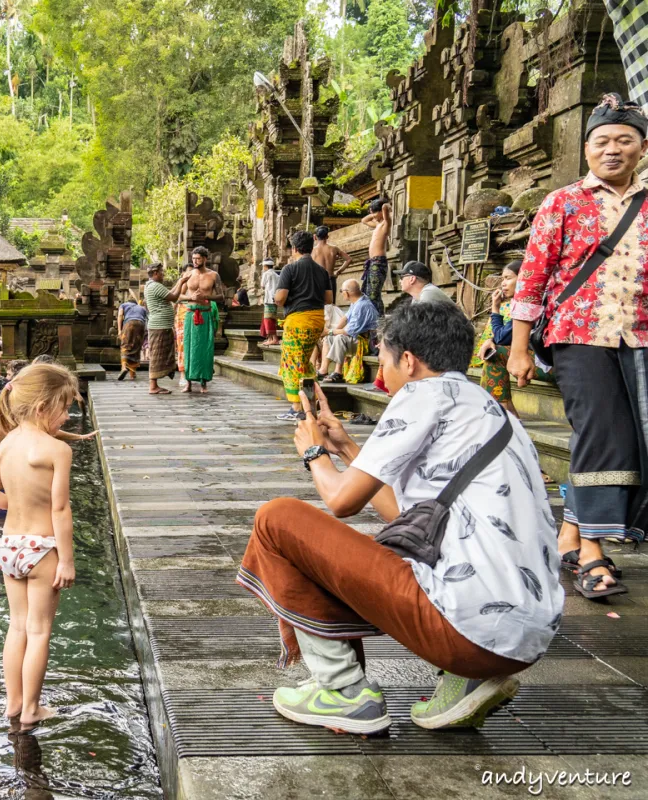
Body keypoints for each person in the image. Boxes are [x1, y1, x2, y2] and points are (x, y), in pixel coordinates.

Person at [238, 302, 562, 735]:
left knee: (276, 519)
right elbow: (412, 519)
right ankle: (462, 680)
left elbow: (340, 501)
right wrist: (350, 450)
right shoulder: (488, 408)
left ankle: (341, 690)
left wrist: (313, 451)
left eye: (385, 361)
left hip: (467, 631)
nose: (380, 376)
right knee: (340, 543)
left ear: (408, 361)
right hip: (522, 638)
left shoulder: (421, 394)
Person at [508, 93, 648, 600]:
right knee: (602, 433)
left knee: (633, 438)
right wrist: (518, 348)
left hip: (639, 336)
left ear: (642, 147)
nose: (613, 150)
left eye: (624, 141)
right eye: (602, 141)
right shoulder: (562, 202)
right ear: (587, 149)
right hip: (577, 335)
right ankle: (592, 550)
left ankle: (570, 532)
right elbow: (532, 278)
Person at [0, 364, 78, 727]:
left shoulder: (7, 442)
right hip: (42, 548)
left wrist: (18, 504)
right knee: (39, 631)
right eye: (64, 407)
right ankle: (33, 708)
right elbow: (61, 509)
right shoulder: (56, 451)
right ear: (42, 408)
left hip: (9, 545)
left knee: (17, 626)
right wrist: (65, 560)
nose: (67, 415)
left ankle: (13, 702)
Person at [475, 264, 548, 415]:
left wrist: (495, 309)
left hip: (552, 364)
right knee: (494, 352)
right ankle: (506, 413)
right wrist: (493, 339)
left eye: (508, 278)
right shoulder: (533, 300)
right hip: (546, 360)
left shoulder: (532, 302)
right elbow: (504, 336)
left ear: (523, 279)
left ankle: (504, 414)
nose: (503, 283)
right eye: (502, 279)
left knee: (496, 355)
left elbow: (502, 337)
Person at [275, 231, 334, 420]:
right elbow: (329, 299)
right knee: (306, 364)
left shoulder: (290, 269)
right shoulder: (321, 271)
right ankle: (309, 404)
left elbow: (280, 297)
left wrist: (281, 298)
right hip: (317, 320)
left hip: (298, 321)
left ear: (294, 248)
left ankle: (297, 407)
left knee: (292, 364)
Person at [176, 246, 223, 393]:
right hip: (190, 314)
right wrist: (191, 297)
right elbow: (178, 296)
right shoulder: (188, 275)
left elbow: (221, 296)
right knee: (189, 347)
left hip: (205, 314)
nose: (195, 261)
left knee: (205, 348)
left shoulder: (214, 275)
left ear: (205, 259)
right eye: (193, 259)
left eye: (198, 258)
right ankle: (188, 383)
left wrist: (206, 297)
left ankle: (204, 383)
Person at [333, 279, 379, 384]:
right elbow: (345, 318)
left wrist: (331, 332)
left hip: (366, 342)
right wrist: (330, 332)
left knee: (340, 338)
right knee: (328, 338)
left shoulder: (361, 305)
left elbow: (349, 331)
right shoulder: (357, 301)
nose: (341, 293)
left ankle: (338, 372)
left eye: (341, 291)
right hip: (357, 338)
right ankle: (323, 369)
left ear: (346, 292)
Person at [143, 263, 178, 394]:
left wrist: (181, 282)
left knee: (158, 354)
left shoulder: (153, 286)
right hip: (159, 326)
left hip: (160, 326)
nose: (163, 274)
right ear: (156, 273)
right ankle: (153, 386)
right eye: (162, 272)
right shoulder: (155, 286)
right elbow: (174, 297)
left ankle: (154, 385)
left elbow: (170, 293)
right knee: (156, 355)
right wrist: (182, 282)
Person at [361, 197, 392, 313]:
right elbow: (363, 220)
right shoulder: (377, 224)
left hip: (379, 262)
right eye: (372, 213)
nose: (373, 215)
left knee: (374, 293)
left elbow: (384, 208)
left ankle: (379, 319)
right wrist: (373, 212)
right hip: (372, 262)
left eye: (375, 212)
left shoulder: (386, 223)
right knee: (368, 292)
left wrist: (385, 207)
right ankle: (374, 318)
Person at [116, 293, 148, 381]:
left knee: (125, 346)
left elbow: (120, 315)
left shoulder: (124, 305)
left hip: (129, 324)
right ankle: (132, 373)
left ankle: (123, 368)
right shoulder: (141, 308)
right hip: (141, 325)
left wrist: (119, 329)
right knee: (136, 347)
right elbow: (146, 319)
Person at [259, 258, 282, 346]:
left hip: (268, 299)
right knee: (270, 318)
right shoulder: (277, 275)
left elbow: (262, 285)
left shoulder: (266, 274)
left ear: (265, 266)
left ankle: (274, 338)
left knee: (268, 319)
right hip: (275, 298)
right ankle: (270, 338)